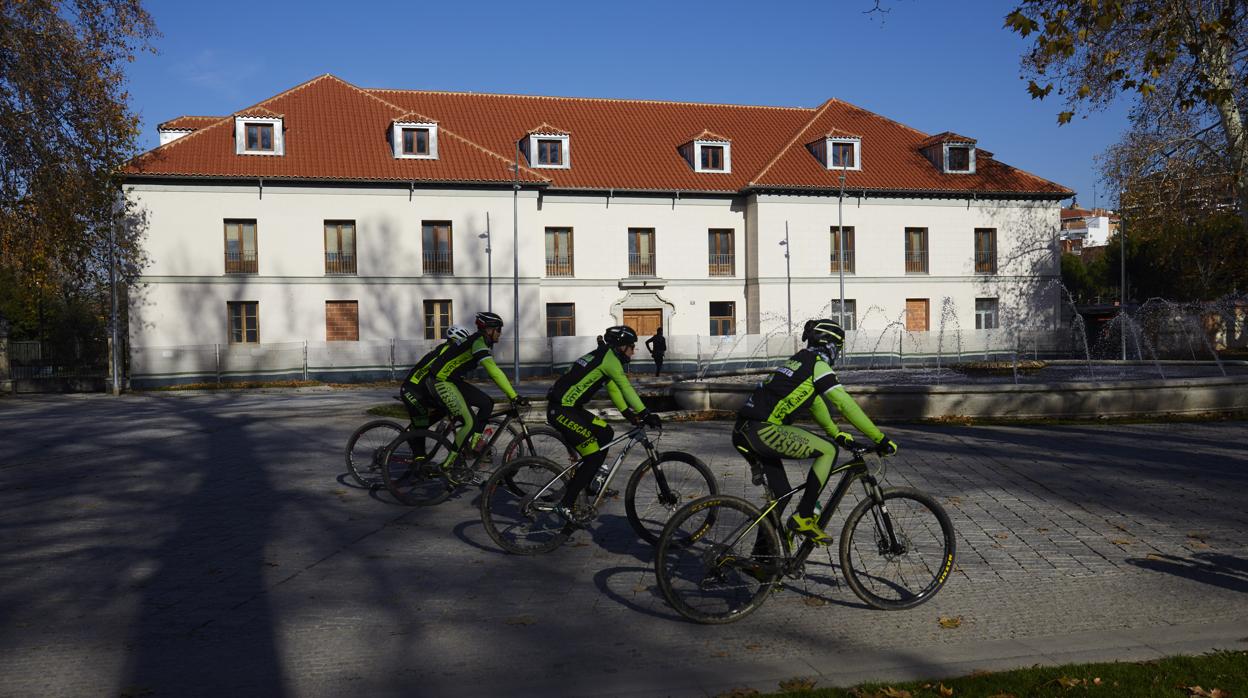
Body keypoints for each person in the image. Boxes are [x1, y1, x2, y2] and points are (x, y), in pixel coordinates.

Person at [732, 318, 898, 544]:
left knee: (781, 493)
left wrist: (836, 433)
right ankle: (805, 516)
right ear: (829, 344)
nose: (837, 353)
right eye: (838, 348)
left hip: (744, 429)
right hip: (763, 429)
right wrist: (879, 438)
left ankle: (762, 562)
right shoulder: (818, 365)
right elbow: (844, 404)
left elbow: (815, 403)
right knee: (828, 451)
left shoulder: (800, 360)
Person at [547, 324, 659, 526]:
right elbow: (625, 387)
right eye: (631, 347)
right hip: (562, 410)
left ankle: (589, 481)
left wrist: (627, 413)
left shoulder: (604, 356)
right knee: (592, 457)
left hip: (571, 407)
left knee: (606, 433)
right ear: (620, 346)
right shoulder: (610, 360)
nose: (633, 351)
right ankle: (565, 504)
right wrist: (645, 413)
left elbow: (614, 389)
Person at [422, 312, 530, 473]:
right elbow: (493, 371)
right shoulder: (478, 342)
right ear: (490, 330)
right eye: (499, 330)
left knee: (487, 403)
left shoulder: (480, 340)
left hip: (453, 380)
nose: (500, 333)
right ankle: (447, 466)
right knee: (470, 422)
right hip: (441, 381)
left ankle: (473, 446)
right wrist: (513, 395)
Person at [398, 325, 471, 458]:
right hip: (412, 390)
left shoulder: (446, 351)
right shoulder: (446, 351)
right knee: (421, 425)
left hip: (422, 390)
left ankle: (415, 432)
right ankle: (419, 459)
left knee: (444, 409)